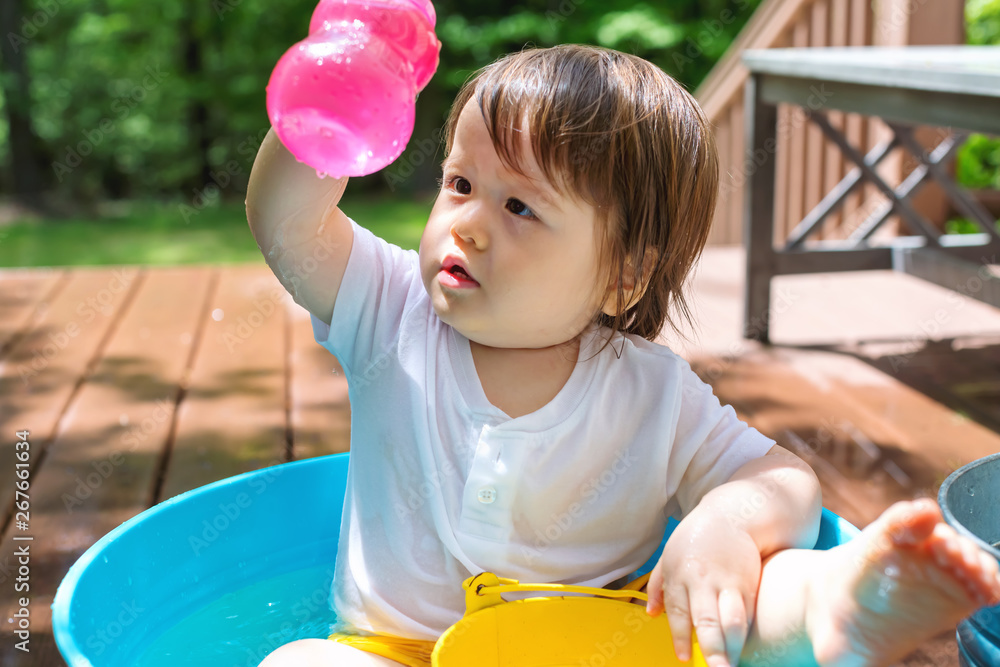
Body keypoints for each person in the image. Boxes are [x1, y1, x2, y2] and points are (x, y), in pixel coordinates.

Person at [247, 44, 1000, 667]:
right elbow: (286, 223)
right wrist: (332, 100)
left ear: (622, 276)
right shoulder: (388, 310)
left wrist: (725, 527)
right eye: (460, 182)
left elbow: (780, 479)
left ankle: (836, 609)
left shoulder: (651, 390)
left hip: (606, 643)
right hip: (395, 649)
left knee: (752, 592)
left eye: (520, 207)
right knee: (301, 663)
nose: (468, 224)